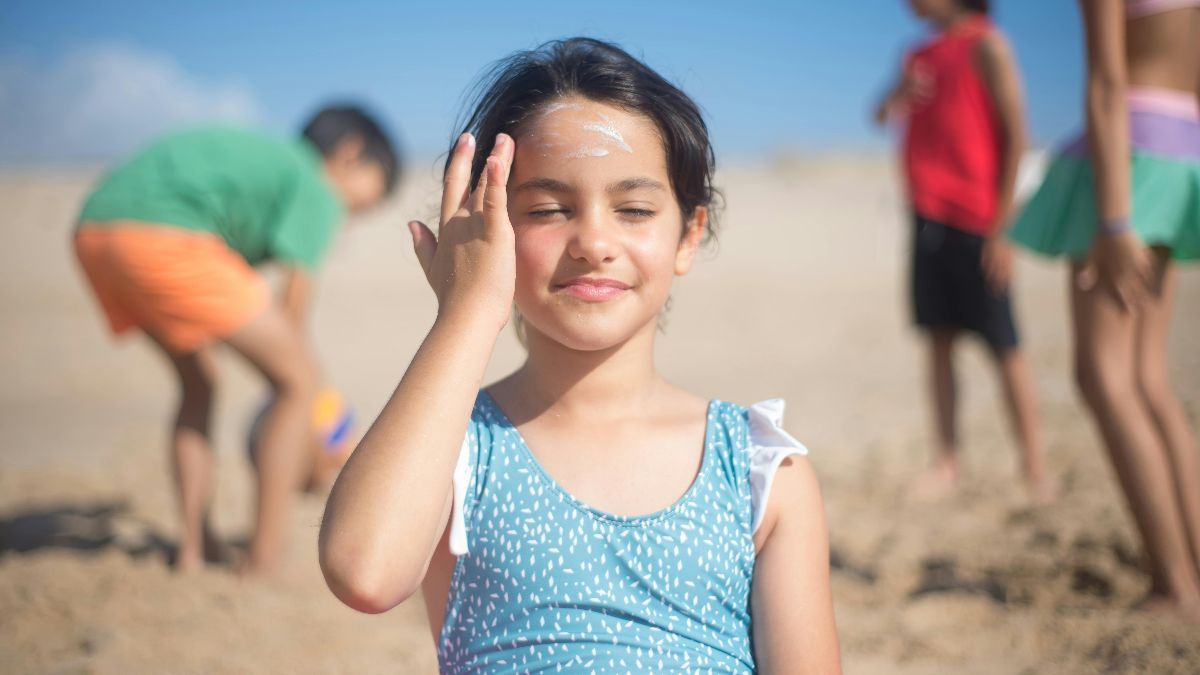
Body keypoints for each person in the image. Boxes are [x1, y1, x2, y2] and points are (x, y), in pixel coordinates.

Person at [318, 38, 842, 672]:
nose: (594, 241)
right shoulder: (451, 449)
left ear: (689, 234)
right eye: (548, 209)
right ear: (490, 230)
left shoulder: (758, 469)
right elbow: (364, 573)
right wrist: (465, 314)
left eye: (635, 209)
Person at [73, 105, 400, 575]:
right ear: (349, 155)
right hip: (165, 234)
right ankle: (264, 560)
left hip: (97, 230)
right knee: (299, 380)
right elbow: (291, 324)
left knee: (200, 382)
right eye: (366, 201)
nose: (350, 220)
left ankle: (194, 550)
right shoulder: (316, 184)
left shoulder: (269, 166)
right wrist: (317, 433)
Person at [1009, 0, 1200, 620]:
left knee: (1103, 377)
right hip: (1180, 148)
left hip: (1129, 159)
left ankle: (1175, 585)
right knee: (1147, 379)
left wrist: (1115, 220)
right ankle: (1190, 564)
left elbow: (1108, 81)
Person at [875, 0, 1051, 500]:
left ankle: (1034, 466)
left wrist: (1003, 230)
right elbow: (880, 113)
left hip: (978, 219)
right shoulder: (917, 52)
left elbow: (1018, 134)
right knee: (938, 340)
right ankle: (947, 461)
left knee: (1004, 344)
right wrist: (899, 92)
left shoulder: (988, 43)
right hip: (927, 217)